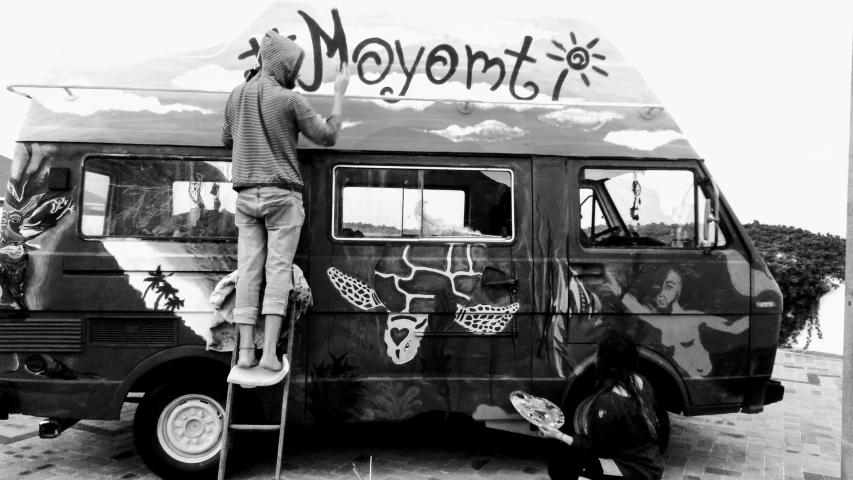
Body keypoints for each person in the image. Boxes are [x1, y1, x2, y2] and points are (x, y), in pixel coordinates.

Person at [222, 30, 350, 371]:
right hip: (282, 196)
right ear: (284, 66)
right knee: (277, 272)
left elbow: (226, 138)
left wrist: (251, 135)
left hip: (246, 195)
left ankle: (246, 351)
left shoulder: (236, 95)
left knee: (248, 272)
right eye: (294, 67)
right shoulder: (289, 100)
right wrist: (339, 94)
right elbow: (327, 136)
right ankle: (269, 356)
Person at [539, 329, 664, 480]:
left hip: (632, 471)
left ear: (604, 360)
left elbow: (594, 448)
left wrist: (558, 435)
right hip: (652, 465)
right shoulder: (642, 382)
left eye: (597, 352)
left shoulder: (608, 402)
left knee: (560, 465)